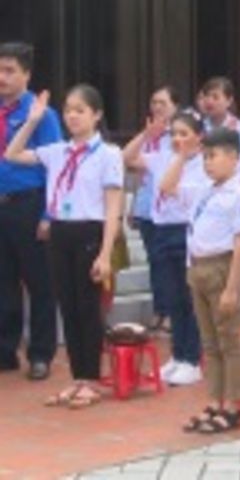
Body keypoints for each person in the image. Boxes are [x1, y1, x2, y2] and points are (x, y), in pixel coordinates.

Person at [5, 85, 124, 407]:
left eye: (80, 110)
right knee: (68, 308)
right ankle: (77, 377)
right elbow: (12, 154)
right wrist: (32, 121)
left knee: (87, 307)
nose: (72, 116)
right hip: (60, 232)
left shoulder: (108, 154)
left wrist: (105, 253)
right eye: (69, 110)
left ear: (97, 115)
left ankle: (92, 378)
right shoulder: (57, 151)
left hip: (89, 231)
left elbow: (113, 206)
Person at [166, 127, 240, 433]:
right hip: (198, 266)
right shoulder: (204, 190)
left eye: (213, 156)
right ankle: (215, 400)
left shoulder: (239, 195)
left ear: (234, 157)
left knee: (229, 339)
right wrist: (182, 157)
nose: (208, 163)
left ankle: (233, 404)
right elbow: (167, 187)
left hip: (222, 266)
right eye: (205, 157)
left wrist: (232, 287)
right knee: (210, 341)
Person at [123, 112, 209, 386]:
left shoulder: (203, 164)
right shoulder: (162, 156)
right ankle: (178, 354)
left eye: (184, 134)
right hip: (161, 229)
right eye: (174, 134)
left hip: (186, 230)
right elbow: (127, 158)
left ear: (199, 137)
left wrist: (182, 157)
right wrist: (146, 135)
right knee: (172, 297)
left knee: (188, 298)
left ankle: (192, 359)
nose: (177, 139)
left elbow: (170, 188)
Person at [0, 42, 60, 380]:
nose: (2, 77)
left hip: (29, 202)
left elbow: (55, 166)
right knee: (3, 281)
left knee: (39, 283)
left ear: (26, 74)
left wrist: (48, 214)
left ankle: (40, 353)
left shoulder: (42, 115)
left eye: (10, 71)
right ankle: (5, 350)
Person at [128, 85, 179, 330]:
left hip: (171, 210)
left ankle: (171, 311)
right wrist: (134, 205)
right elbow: (134, 168)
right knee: (155, 261)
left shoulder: (178, 135)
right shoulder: (149, 135)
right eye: (154, 102)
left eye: (163, 103)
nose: (157, 107)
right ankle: (160, 308)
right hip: (147, 205)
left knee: (170, 263)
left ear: (175, 106)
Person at [200, 76, 240, 143]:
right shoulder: (199, 126)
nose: (209, 101)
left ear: (229, 101)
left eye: (215, 97)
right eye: (207, 96)